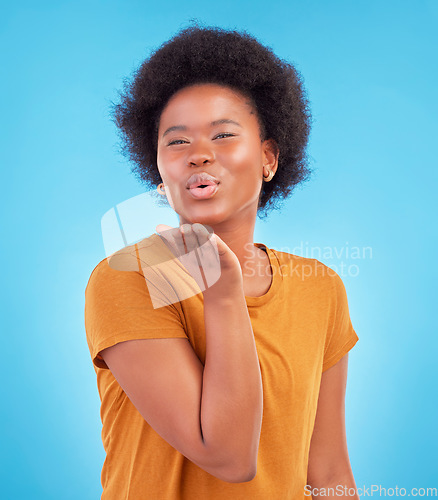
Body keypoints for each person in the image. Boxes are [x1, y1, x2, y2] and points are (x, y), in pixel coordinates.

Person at [84, 22, 360, 500]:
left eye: (224, 135)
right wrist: (223, 294)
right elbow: (229, 456)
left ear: (269, 158)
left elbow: (329, 471)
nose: (199, 156)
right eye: (177, 141)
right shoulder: (128, 279)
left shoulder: (321, 287)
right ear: (158, 167)